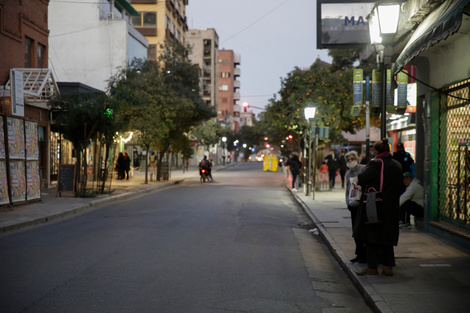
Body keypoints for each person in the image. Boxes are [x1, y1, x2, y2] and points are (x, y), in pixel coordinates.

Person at [354, 138, 403, 276]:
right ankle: (388, 267)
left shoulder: (376, 163)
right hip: (392, 205)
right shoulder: (397, 164)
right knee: (387, 235)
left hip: (376, 204)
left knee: (372, 234)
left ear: (375, 151)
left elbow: (362, 178)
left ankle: (372, 266)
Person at [344, 151, 367, 264]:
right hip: (353, 205)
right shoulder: (348, 174)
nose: (350, 162)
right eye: (348, 160)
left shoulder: (363, 169)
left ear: (357, 159)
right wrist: (347, 202)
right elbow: (347, 190)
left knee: (362, 230)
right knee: (355, 231)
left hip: (362, 204)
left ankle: (364, 254)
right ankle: (359, 253)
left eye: (352, 159)